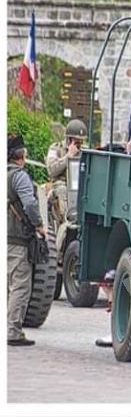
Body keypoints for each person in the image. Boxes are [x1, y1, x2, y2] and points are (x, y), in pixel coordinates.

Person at [8, 134, 46, 347]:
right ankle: (13, 331)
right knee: (20, 287)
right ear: (21, 155)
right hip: (17, 239)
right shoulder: (19, 176)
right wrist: (39, 225)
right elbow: (30, 204)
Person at [46, 119, 87, 227]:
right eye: (76, 141)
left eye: (81, 141)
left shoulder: (84, 152)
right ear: (69, 139)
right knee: (62, 189)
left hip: (79, 186)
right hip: (61, 185)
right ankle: (66, 222)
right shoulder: (56, 148)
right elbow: (51, 170)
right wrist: (68, 156)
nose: (79, 144)